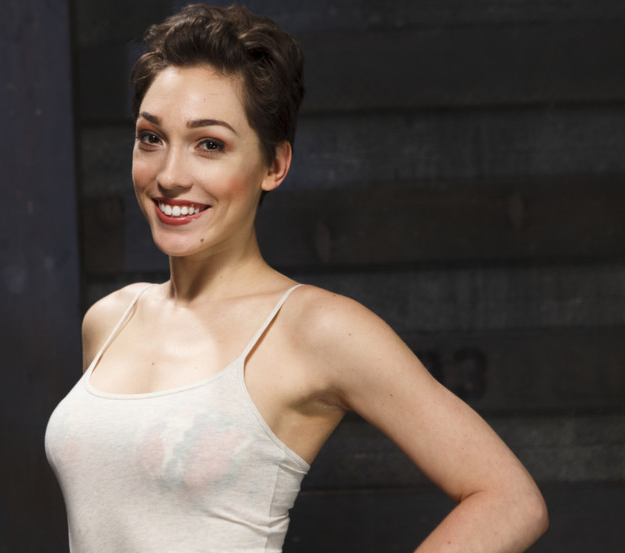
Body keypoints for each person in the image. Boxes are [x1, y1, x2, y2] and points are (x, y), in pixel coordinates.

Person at [45, 4, 548, 552]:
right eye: (151, 137)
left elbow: (510, 500)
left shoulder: (314, 329)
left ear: (274, 165)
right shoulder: (110, 320)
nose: (170, 176)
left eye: (210, 144)